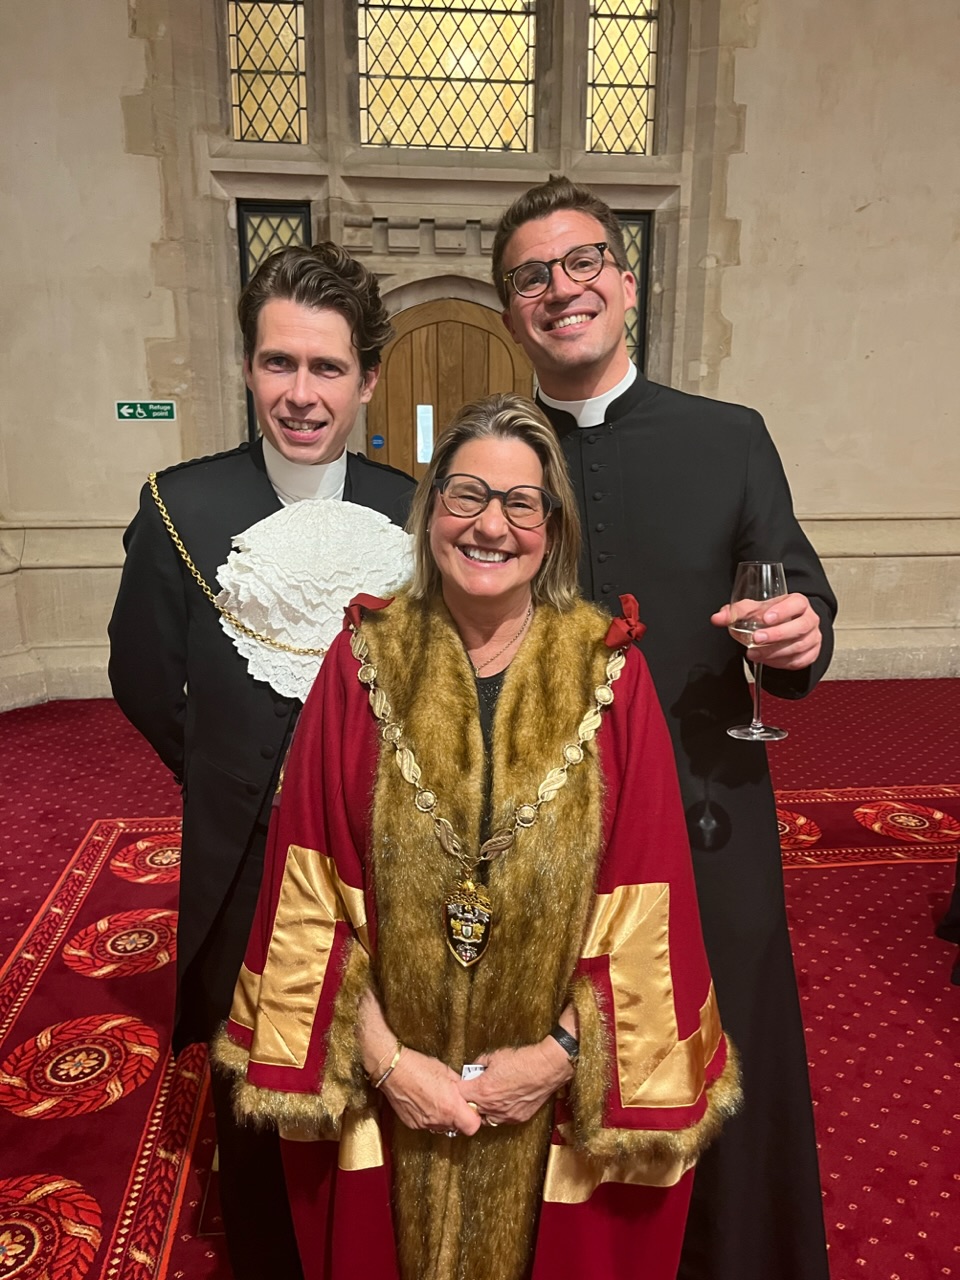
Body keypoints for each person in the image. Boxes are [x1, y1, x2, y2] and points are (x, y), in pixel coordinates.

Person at [214, 394, 741, 1280]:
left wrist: (557, 1058)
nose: (489, 525)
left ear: (552, 527)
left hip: (550, 1103)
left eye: (520, 503)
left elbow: (648, 906)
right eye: (465, 496)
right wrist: (386, 1064)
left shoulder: (611, 673)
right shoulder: (360, 665)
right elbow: (305, 893)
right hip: (391, 1098)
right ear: (430, 518)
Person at [492, 178, 839, 1280]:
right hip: (538, 831)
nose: (563, 289)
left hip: (707, 814)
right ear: (512, 310)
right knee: (560, 1066)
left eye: (584, 261)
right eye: (533, 275)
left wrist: (798, 634)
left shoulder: (730, 437)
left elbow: (801, 598)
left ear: (626, 282)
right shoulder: (492, 455)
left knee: (725, 1063)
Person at [108, 243, 415, 1280]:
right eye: (279, 363)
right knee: (257, 1080)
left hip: (389, 852)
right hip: (247, 855)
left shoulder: (411, 507)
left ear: (367, 379)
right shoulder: (179, 506)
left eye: (327, 368)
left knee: (381, 1069)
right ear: (248, 367)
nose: (300, 393)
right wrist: (233, 778)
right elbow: (143, 674)